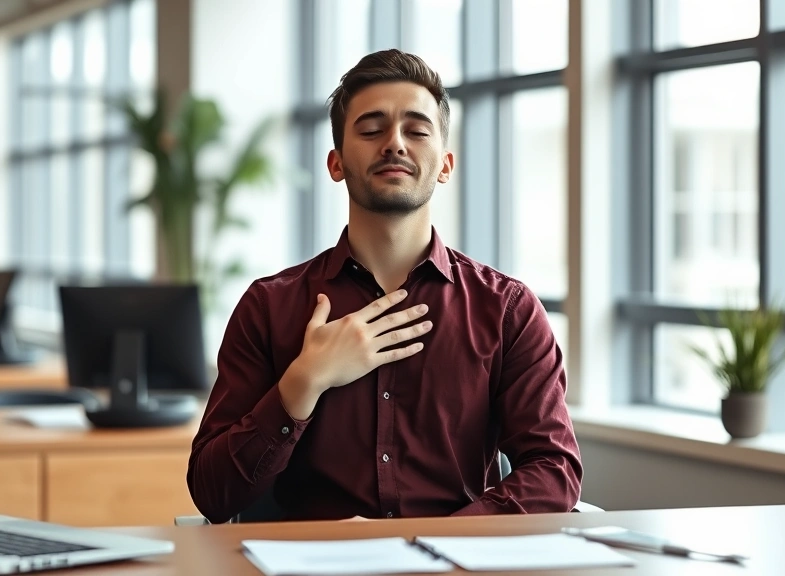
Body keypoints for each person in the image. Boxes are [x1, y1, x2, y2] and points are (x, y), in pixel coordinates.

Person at [187, 49, 582, 523]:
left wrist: (440, 541)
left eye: (416, 131)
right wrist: (303, 381)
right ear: (336, 163)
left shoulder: (507, 311)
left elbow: (554, 469)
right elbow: (213, 494)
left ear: (445, 164)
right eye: (371, 130)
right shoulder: (269, 306)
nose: (394, 143)